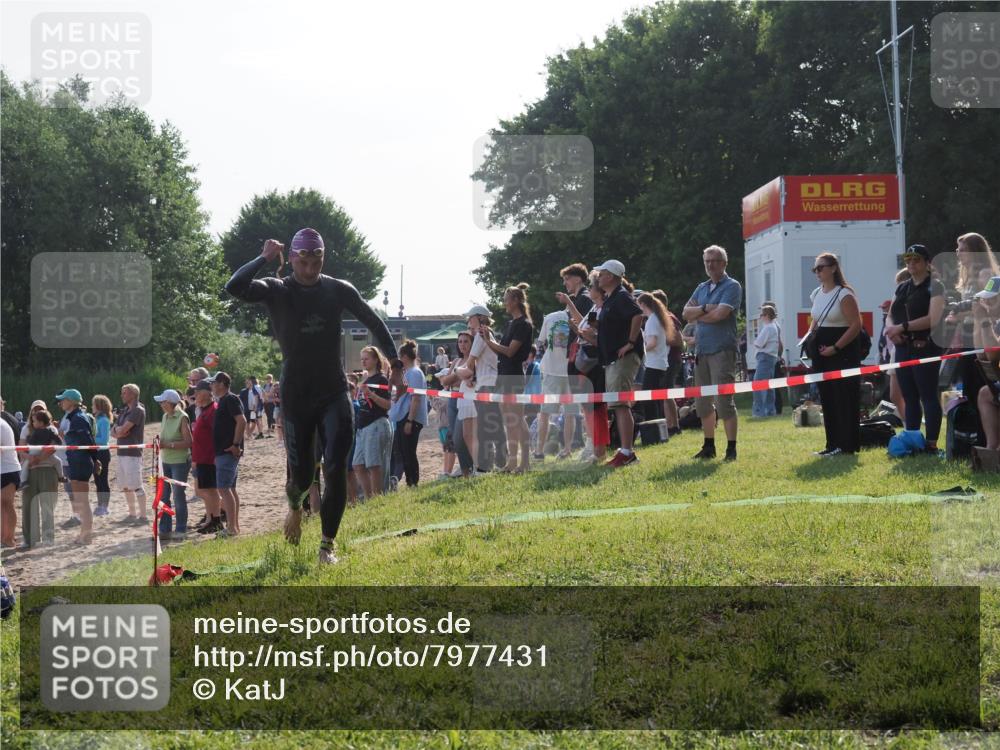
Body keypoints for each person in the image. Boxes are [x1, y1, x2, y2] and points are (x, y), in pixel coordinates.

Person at [225, 228, 398, 563]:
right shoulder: (277, 289)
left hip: (333, 391)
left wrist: (397, 363)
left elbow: (373, 320)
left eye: (316, 260)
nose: (310, 268)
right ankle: (294, 507)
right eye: (303, 261)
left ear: (323, 258)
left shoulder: (337, 289)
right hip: (297, 395)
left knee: (335, 466)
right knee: (302, 472)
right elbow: (235, 287)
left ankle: (327, 546)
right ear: (291, 259)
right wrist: (263, 257)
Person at [884, 244, 946, 454]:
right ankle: (912, 439)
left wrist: (903, 327)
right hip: (903, 346)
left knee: (927, 395)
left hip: (925, 346)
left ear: (927, 263)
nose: (911, 263)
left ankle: (931, 444)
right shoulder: (902, 287)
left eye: (916, 259)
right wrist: (894, 330)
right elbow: (892, 313)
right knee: (909, 396)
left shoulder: (936, 286)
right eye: (908, 259)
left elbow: (933, 318)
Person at [682, 245, 743, 461]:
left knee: (724, 401)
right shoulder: (702, 287)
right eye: (707, 261)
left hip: (722, 351)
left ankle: (731, 449)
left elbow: (721, 314)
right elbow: (685, 313)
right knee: (702, 403)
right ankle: (708, 447)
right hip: (702, 351)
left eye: (715, 260)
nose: (710, 264)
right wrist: (707, 308)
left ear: (724, 263)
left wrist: (699, 313)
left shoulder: (732, 286)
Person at [804, 253, 863, 455]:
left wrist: (836, 347)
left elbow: (856, 324)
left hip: (842, 352)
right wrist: (810, 335)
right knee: (827, 398)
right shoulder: (817, 293)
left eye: (821, 268)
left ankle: (846, 445)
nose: (817, 272)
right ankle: (832, 444)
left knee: (843, 397)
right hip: (821, 351)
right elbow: (816, 318)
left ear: (833, 268)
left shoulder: (844, 294)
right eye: (815, 269)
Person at [591, 260, 644, 467]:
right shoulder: (612, 298)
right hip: (613, 358)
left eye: (602, 273)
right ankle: (625, 450)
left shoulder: (621, 295)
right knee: (618, 404)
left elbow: (637, 315)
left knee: (621, 405)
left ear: (611, 276)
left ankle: (627, 452)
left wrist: (630, 343)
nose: (598, 277)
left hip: (623, 357)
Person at [482, 284, 534, 473]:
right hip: (503, 374)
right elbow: (501, 351)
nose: (504, 302)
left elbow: (510, 352)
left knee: (517, 419)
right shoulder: (511, 324)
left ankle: (525, 462)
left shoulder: (524, 325)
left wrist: (489, 341)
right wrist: (490, 339)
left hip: (513, 375)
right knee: (508, 420)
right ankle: (512, 462)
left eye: (506, 299)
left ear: (516, 301)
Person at [564, 272, 611, 463]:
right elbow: (589, 329)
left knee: (596, 409)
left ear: (598, 290)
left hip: (593, 366)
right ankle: (594, 446)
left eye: (591, 287)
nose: (589, 290)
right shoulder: (594, 309)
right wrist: (579, 331)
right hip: (581, 364)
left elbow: (598, 338)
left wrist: (581, 333)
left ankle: (598, 450)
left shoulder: (604, 309)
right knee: (587, 408)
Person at [464, 305, 507, 472]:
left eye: (471, 317)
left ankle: (484, 466)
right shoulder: (487, 332)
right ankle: (501, 460)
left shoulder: (481, 334)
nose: (468, 320)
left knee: (484, 427)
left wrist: (461, 374)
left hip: (486, 385)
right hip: (488, 384)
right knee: (494, 424)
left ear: (479, 317)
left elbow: (469, 363)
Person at [55, 388, 97, 544]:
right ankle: (84, 533)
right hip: (76, 460)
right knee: (81, 501)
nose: (61, 402)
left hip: (80, 462)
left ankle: (87, 536)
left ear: (71, 401)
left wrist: (95, 459)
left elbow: (88, 441)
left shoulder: (78, 418)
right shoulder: (75, 417)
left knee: (82, 501)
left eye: (63, 400)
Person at [535, 308, 576, 459]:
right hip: (571, 371)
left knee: (545, 412)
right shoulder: (580, 316)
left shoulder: (550, 316)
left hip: (552, 370)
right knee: (570, 413)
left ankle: (539, 451)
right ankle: (567, 449)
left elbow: (541, 342)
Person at [353, 346, 392, 499]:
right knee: (357, 464)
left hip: (375, 423)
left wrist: (371, 395)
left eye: (366, 358)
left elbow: (387, 405)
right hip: (363, 426)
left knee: (373, 465)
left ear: (375, 360)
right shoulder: (366, 379)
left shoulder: (381, 379)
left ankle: (376, 498)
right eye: (361, 359)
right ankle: (370, 498)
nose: (363, 361)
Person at [19, 409, 63, 547]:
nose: (34, 419)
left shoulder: (51, 430)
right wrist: (30, 459)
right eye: (34, 411)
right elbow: (21, 448)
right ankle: (29, 539)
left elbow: (54, 446)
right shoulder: (26, 429)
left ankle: (48, 538)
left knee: (47, 505)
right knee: (28, 505)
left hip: (47, 470)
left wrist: (38, 458)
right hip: (31, 469)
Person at [208, 372, 245, 536]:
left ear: (222, 383)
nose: (211, 386)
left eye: (213, 383)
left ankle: (231, 529)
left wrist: (235, 444)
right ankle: (234, 527)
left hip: (227, 451)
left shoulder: (230, 399)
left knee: (224, 489)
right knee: (230, 489)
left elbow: (241, 421)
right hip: (225, 451)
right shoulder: (223, 400)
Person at [637, 291, 678, 438]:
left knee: (649, 399)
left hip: (654, 364)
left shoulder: (652, 321)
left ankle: (652, 429)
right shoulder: (657, 319)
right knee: (654, 399)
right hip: (659, 363)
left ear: (643, 305)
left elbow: (652, 343)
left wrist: (640, 350)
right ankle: (657, 430)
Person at [388, 339, 427, 487]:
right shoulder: (408, 372)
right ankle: (409, 481)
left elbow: (416, 399)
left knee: (409, 452)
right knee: (403, 452)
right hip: (403, 416)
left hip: (410, 417)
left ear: (404, 356)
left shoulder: (415, 373)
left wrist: (410, 421)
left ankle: (413, 482)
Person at [154, 389, 192, 539]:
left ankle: (181, 529)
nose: (161, 404)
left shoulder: (182, 417)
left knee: (178, 495)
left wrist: (167, 445)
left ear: (170, 403)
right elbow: (165, 438)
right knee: (163, 496)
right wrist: (159, 442)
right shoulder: (165, 416)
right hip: (166, 461)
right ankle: (165, 530)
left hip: (179, 461)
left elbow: (188, 442)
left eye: (163, 402)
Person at [190, 380, 224, 534]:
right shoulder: (204, 410)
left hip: (209, 457)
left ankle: (216, 520)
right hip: (202, 457)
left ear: (206, 392)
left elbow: (217, 435)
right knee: (207, 490)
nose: (195, 395)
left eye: (197, 391)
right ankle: (211, 519)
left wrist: (214, 455)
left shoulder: (213, 410)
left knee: (211, 491)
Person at [443, 331, 477, 477]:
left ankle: (471, 468)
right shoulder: (457, 361)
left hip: (467, 400)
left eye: (466, 341)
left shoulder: (474, 360)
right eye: (460, 342)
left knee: (461, 436)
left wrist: (456, 376)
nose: (462, 344)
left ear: (472, 343)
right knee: (456, 439)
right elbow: (445, 381)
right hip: (452, 400)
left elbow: (469, 379)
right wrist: (460, 374)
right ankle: (465, 470)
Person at [113, 383, 148, 525]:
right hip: (121, 451)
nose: (122, 395)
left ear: (133, 394)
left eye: (124, 393)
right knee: (125, 485)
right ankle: (132, 514)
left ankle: (143, 516)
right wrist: (119, 430)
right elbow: (115, 431)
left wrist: (119, 430)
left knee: (136, 484)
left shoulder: (137, 410)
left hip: (132, 453)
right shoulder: (124, 411)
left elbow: (121, 431)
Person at [972, 276, 1000, 450]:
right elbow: (981, 354)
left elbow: (993, 357)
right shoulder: (996, 323)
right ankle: (992, 447)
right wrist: (978, 320)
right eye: (986, 299)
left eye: (993, 299)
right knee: (985, 394)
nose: (987, 304)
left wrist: (984, 322)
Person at [652, 289, 685, 435]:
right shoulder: (660, 318)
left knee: (666, 392)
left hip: (671, 359)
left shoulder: (668, 318)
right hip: (665, 359)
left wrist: (658, 341)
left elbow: (678, 340)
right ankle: (671, 425)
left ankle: (673, 425)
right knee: (665, 393)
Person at [751, 306, 781, 418]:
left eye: (762, 315)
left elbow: (758, 343)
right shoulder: (774, 326)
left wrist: (756, 341)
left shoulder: (768, 328)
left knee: (757, 384)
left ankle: (759, 411)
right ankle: (770, 410)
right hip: (771, 357)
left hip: (765, 357)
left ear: (767, 316)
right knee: (769, 386)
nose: (760, 317)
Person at [91, 394, 113, 516]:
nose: (92, 407)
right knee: (97, 480)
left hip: (102, 453)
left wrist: (91, 439)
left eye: (93, 405)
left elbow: (103, 440)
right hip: (96, 453)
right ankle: (100, 505)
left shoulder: (103, 420)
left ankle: (105, 506)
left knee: (102, 480)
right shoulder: (97, 420)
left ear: (99, 406)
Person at [0, 416, 20, 549]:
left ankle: (9, 539)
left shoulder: (1, 425)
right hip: (4, 469)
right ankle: (4, 537)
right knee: (3, 505)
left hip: (8, 470)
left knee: (7, 504)